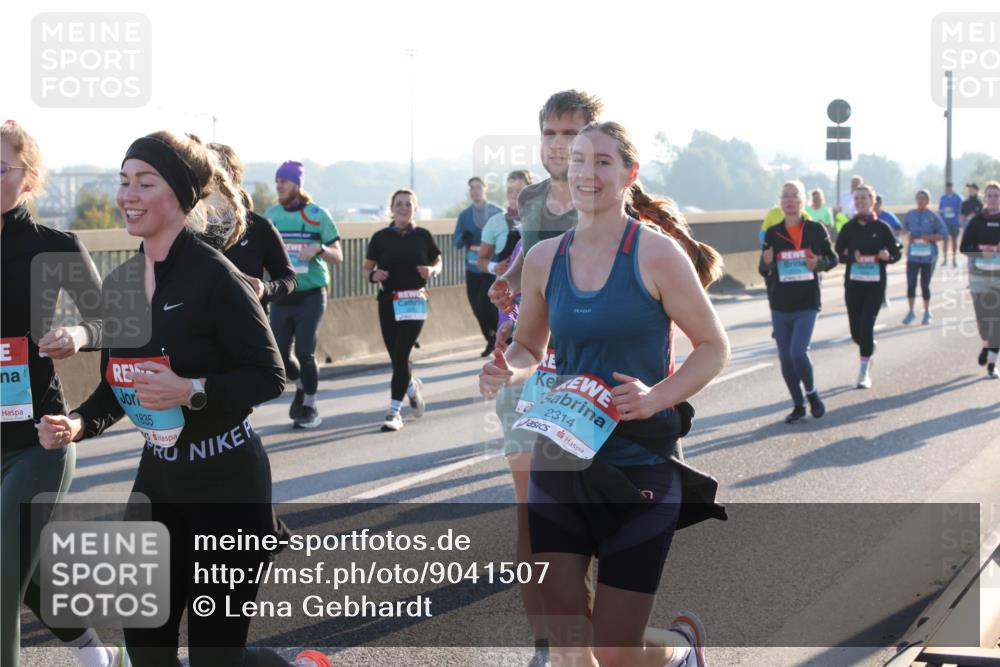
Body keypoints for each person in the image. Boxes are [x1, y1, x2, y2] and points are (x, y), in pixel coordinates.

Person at [36, 130, 292, 667]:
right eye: (123, 181)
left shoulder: (216, 276)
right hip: (158, 484)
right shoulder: (125, 281)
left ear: (177, 195)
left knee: (213, 658)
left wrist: (191, 390)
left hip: (228, 486)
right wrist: (78, 423)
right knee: (147, 651)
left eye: (144, 182)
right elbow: (119, 383)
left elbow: (269, 374)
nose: (128, 194)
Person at [481, 121, 729, 667]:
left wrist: (657, 395)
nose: (587, 173)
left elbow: (713, 346)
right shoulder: (545, 258)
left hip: (637, 463)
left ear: (628, 174)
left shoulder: (657, 255)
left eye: (602, 162)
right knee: (569, 648)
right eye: (578, 161)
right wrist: (507, 368)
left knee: (614, 653)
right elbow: (528, 345)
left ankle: (679, 652)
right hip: (561, 459)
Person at [1, 121, 128, 667]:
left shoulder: (53, 246)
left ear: (27, 179)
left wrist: (76, 335)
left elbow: (113, 328)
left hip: (38, 439)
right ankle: (97, 655)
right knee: (20, 570)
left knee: (3, 578)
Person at [487, 89, 603, 667]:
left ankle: (604, 639)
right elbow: (527, 260)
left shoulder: (611, 196)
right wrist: (506, 279)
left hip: (593, 379)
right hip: (529, 373)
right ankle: (550, 644)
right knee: (533, 511)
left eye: (571, 134)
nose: (559, 146)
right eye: (550, 134)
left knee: (593, 513)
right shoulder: (531, 198)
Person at [266, 161, 343, 429]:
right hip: (281, 294)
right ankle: (301, 386)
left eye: (283, 182)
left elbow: (338, 256)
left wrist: (319, 248)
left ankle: (309, 405)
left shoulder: (317, 214)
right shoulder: (271, 215)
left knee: (305, 351)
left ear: (297, 185)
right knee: (278, 354)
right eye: (276, 181)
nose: (279, 186)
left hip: (311, 293)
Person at [363, 189, 442, 431]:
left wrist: (432, 271)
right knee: (397, 357)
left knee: (401, 354)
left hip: (415, 301)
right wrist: (374, 275)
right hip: (388, 301)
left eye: (408, 204)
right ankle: (411, 388)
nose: (403, 207)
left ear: (415, 208)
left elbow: (438, 261)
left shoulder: (423, 236)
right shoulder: (380, 238)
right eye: (399, 203)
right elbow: (366, 270)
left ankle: (394, 411)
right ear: (392, 208)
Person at [759, 180, 838, 423]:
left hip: (807, 302)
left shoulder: (815, 230)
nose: (790, 201)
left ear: (802, 202)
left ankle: (812, 394)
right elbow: (763, 270)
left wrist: (819, 264)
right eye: (786, 197)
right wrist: (767, 261)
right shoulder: (773, 233)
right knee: (785, 357)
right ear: (780, 203)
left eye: (795, 196)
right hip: (780, 303)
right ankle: (798, 404)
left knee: (797, 352)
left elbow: (832, 259)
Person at [208, 143, 296, 310]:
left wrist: (264, 289)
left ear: (232, 177)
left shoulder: (259, 227)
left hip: (247, 325)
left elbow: (289, 279)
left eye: (212, 173)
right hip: (197, 331)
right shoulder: (187, 228)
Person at [834, 184, 902, 388]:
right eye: (857, 198)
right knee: (856, 332)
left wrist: (887, 257)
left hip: (875, 285)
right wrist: (849, 257)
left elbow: (896, 253)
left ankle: (863, 372)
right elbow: (838, 254)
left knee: (866, 325)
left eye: (865, 198)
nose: (861, 201)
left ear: (873, 202)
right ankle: (868, 348)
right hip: (853, 284)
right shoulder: (848, 227)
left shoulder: (882, 228)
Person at [453, 177, 504, 357]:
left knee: (488, 305)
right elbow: (456, 242)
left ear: (485, 189)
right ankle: (490, 339)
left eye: (478, 187)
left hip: (491, 267)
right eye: (472, 188)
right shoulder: (464, 215)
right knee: (476, 307)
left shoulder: (498, 213)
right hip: (472, 268)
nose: (475, 191)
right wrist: (463, 238)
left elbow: (507, 238)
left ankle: (500, 339)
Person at [959, 180, 1000, 379]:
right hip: (979, 277)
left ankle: (992, 363)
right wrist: (982, 252)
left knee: (997, 321)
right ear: (985, 198)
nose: (993, 199)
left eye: (997, 196)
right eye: (990, 195)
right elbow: (964, 247)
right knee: (984, 321)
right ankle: (987, 344)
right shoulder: (976, 221)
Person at [901, 190, 947, 325]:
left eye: (923, 198)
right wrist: (907, 234)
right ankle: (910, 312)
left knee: (924, 284)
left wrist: (930, 237)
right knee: (911, 284)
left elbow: (943, 234)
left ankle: (927, 312)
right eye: (918, 198)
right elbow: (904, 230)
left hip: (928, 256)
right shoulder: (910, 215)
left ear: (928, 201)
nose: (920, 201)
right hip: (913, 256)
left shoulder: (933, 216)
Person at [477, 170, 532, 277]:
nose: (514, 195)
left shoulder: (543, 221)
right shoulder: (495, 222)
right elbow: (481, 261)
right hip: (505, 291)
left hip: (535, 291)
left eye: (519, 191)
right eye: (510, 191)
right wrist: (494, 267)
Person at [874, 195, 902, 309]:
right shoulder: (868, 217)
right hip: (872, 248)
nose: (875, 205)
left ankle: (882, 296)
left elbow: (899, 228)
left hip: (885, 249)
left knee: (881, 271)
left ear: (881, 204)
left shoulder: (888, 216)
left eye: (877, 203)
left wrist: (894, 241)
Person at [939, 182, 963, 267]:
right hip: (945, 223)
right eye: (947, 188)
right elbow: (940, 209)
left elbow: (961, 209)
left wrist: (953, 210)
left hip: (954, 222)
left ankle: (954, 259)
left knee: (954, 240)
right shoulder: (943, 198)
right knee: (945, 240)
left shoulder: (958, 198)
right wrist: (944, 210)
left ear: (952, 188)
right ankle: (945, 259)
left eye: (950, 188)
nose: (948, 190)